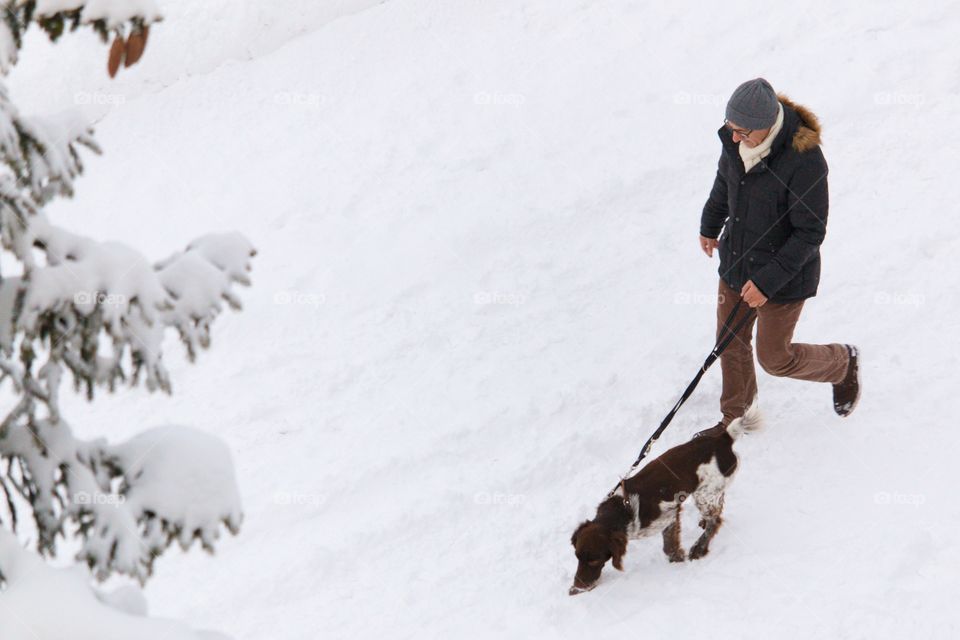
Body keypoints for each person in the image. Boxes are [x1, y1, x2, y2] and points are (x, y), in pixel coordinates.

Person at [696, 78, 860, 435]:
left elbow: (810, 233)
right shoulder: (735, 141)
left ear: (766, 125)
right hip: (737, 262)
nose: (734, 138)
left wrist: (767, 282)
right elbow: (725, 182)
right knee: (730, 342)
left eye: (741, 131)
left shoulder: (804, 161)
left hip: (783, 278)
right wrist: (710, 223)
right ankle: (737, 417)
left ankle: (841, 363)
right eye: (730, 129)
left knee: (775, 359)